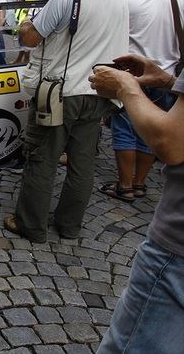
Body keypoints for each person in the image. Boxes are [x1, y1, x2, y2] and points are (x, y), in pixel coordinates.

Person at [3, 0, 128, 243]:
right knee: (82, 163)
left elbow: (31, 38)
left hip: (61, 91)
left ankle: (31, 225)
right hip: (100, 89)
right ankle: (70, 226)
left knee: (42, 159)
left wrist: (25, 25)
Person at [91, 54, 184, 354]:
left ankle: (128, 185)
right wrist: (170, 82)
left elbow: (171, 142)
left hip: (176, 252)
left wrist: (124, 86)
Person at [101, 0, 183, 201]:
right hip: (167, 75)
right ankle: (139, 183)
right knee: (153, 129)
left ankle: (124, 184)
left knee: (125, 129)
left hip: (131, 73)